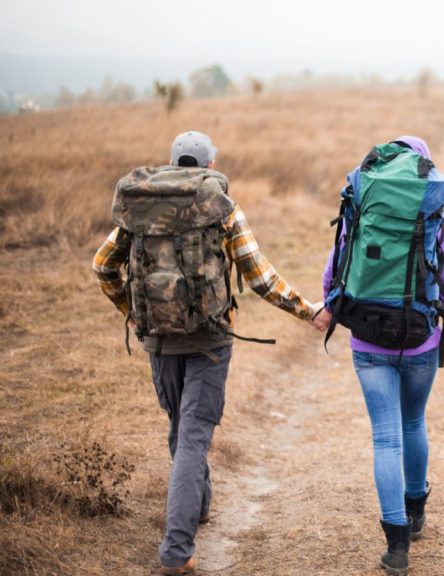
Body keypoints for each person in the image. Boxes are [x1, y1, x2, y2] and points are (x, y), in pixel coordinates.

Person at [93, 131, 324, 576]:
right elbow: (260, 277)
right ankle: (177, 552)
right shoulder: (221, 206)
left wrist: (133, 312)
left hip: (158, 337)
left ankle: (199, 507)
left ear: (173, 160)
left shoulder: (140, 206)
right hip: (210, 340)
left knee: (182, 428)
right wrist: (307, 310)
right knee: (193, 436)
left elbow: (102, 265)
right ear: (209, 162)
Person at [317, 135, 444, 576]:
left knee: (385, 436)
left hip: (368, 341)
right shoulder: (435, 219)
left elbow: (335, 271)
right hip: (420, 340)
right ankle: (417, 509)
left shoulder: (361, 208)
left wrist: (330, 307)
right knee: (413, 423)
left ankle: (397, 547)